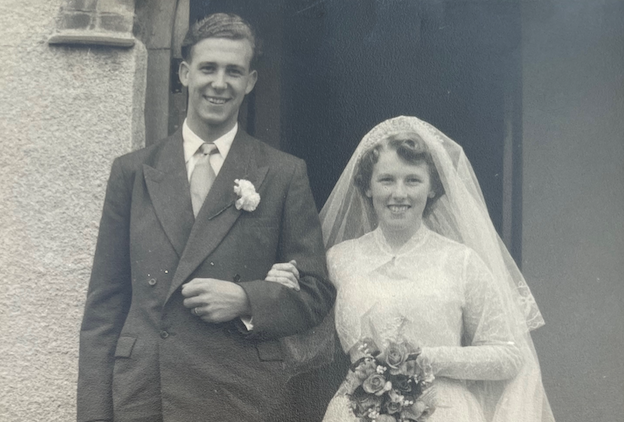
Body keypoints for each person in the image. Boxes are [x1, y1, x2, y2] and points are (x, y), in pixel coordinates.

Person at [77, 13, 335, 422]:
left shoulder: (283, 173)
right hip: (146, 392)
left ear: (250, 81)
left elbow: (316, 293)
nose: (219, 83)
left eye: (233, 71)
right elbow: (104, 309)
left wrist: (246, 299)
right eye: (208, 68)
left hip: (239, 392)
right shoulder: (133, 171)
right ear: (184, 74)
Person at [267, 116, 555, 421]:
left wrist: (428, 357)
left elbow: (509, 355)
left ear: (432, 188)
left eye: (413, 180)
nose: (399, 193)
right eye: (387, 180)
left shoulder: (461, 261)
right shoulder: (338, 260)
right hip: (359, 411)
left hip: (443, 411)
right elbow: (303, 348)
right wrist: (283, 291)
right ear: (367, 187)